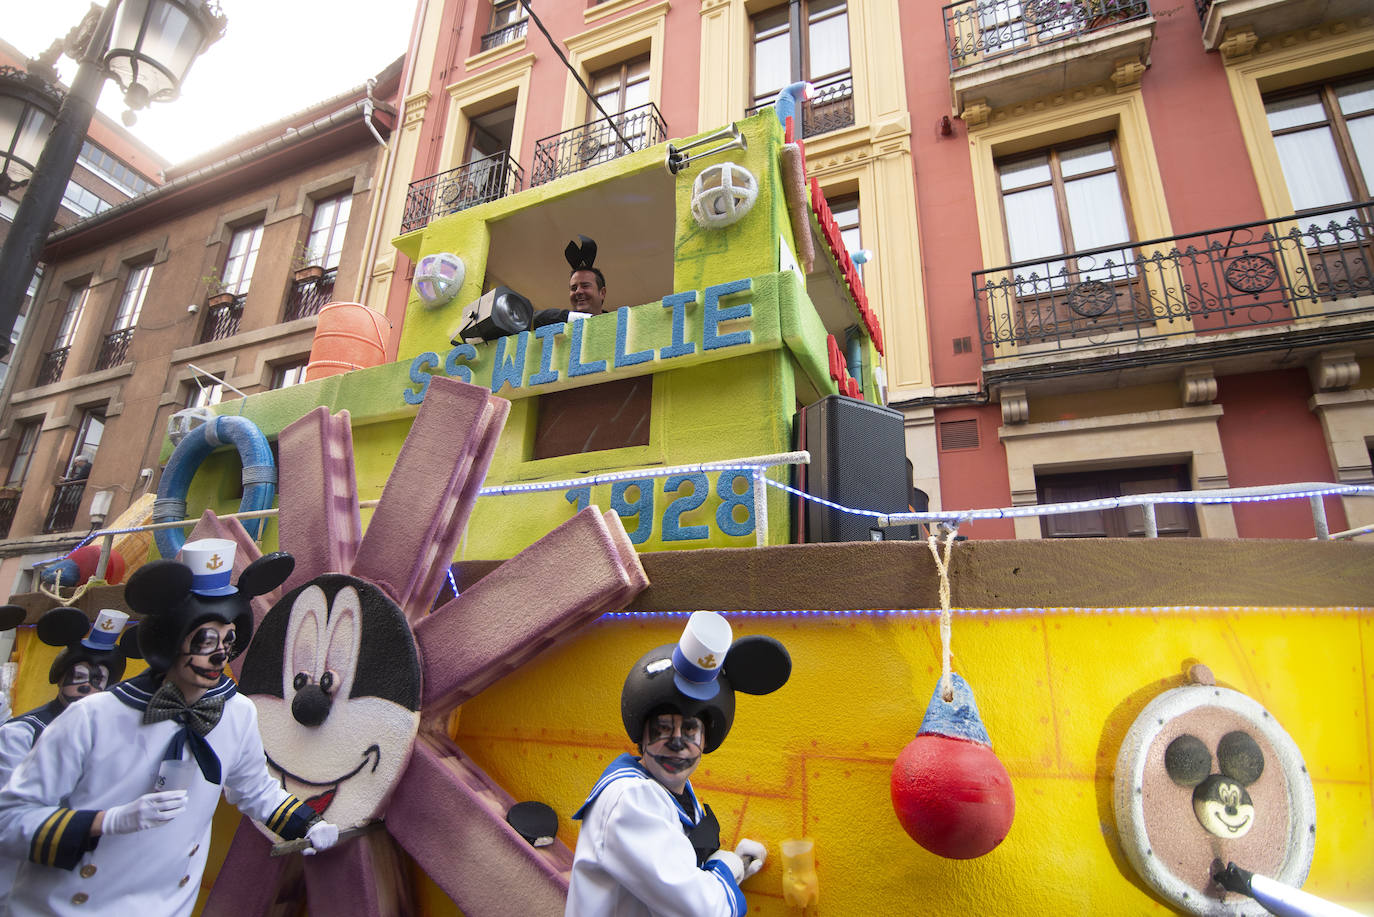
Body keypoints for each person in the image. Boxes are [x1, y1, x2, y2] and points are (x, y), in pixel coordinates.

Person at [0, 539, 339, 915]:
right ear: (170, 638)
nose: (218, 655)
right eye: (204, 640)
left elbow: (254, 788)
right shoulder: (92, 718)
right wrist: (106, 821)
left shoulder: (237, 712)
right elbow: (10, 820)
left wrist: (308, 824)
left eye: (228, 640)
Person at [565, 611, 791, 917]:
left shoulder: (673, 794)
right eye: (662, 729)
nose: (677, 742)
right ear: (641, 735)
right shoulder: (630, 800)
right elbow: (704, 911)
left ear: (706, 739)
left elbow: (679, 873)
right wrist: (727, 866)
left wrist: (731, 867)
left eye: (689, 730)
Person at [0, 607, 138, 910]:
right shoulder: (22, 733)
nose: (87, 687)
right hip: (17, 875)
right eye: (78, 677)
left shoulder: (111, 738)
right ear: (60, 677)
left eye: (98, 681)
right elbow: (13, 809)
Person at [533, 235, 610, 329]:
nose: (578, 291)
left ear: (602, 293)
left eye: (585, 286)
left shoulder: (617, 323)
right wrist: (585, 318)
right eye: (574, 288)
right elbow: (536, 318)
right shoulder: (566, 326)